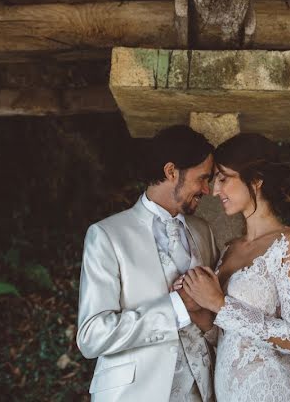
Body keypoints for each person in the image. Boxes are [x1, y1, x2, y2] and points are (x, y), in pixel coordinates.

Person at [77, 125, 221, 401]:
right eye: (202, 179)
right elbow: (91, 336)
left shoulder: (203, 231)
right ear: (171, 172)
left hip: (203, 391)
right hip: (135, 393)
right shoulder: (107, 235)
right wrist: (178, 306)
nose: (207, 189)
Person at [178, 133, 290, 402]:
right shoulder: (230, 248)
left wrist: (219, 304)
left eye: (224, 178)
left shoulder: (289, 244)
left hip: (269, 392)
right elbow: (228, 337)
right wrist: (198, 310)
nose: (215, 190)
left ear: (256, 180)